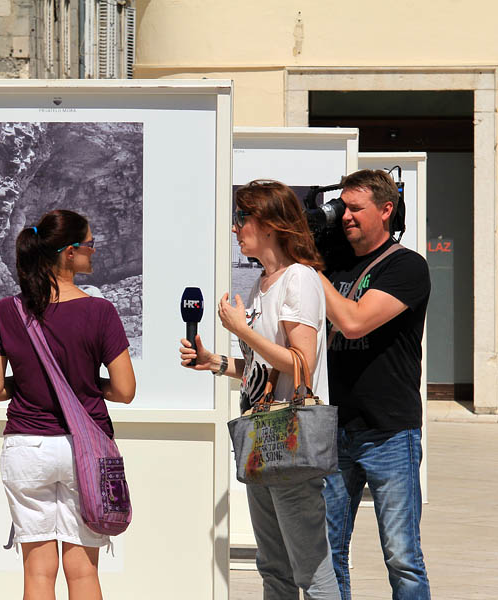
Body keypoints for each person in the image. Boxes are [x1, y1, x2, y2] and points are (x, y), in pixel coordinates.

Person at [180, 180, 340, 599]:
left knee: (311, 570)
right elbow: (263, 369)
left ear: (270, 224)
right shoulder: (261, 284)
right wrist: (214, 361)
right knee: (273, 567)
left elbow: (301, 363)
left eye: (242, 218)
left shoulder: (299, 279)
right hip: (263, 440)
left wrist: (242, 330)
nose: (236, 228)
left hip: (291, 440)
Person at [0, 209, 136, 600]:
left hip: (26, 449)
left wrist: (27, 382)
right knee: (83, 574)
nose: (94, 251)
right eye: (89, 245)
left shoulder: (6, 311)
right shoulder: (100, 312)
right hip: (85, 449)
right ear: (69, 252)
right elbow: (124, 390)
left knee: (37, 573)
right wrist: (86, 383)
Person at [319, 169, 431, 599]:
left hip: (390, 430)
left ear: (386, 210)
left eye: (355, 208)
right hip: (336, 427)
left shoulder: (407, 266)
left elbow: (354, 322)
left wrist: (312, 273)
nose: (345, 216)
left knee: (402, 557)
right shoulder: (335, 263)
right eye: (341, 208)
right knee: (327, 553)